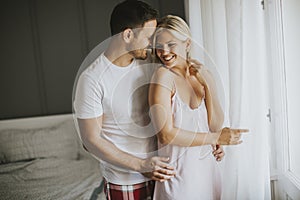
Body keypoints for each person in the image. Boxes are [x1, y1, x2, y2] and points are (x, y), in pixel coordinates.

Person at [73, 1, 176, 199]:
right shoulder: (92, 79)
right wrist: (141, 165)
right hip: (125, 181)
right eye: (147, 37)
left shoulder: (149, 64)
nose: (150, 44)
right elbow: (90, 140)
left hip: (164, 173)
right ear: (128, 35)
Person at [149, 15, 249, 200]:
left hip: (207, 172)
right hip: (177, 176)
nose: (164, 52)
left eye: (171, 44)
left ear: (187, 44)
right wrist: (216, 138)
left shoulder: (203, 74)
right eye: (159, 47)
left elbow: (214, 125)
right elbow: (166, 134)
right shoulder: (162, 76)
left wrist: (208, 83)